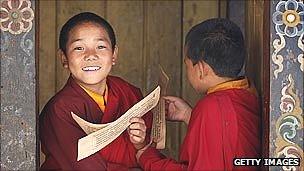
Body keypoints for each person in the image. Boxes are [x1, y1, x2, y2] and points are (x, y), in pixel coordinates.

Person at [132, 18, 261, 170]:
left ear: (201, 69)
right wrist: (189, 115)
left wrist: (148, 158)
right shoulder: (247, 91)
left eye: (187, 64)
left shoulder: (211, 106)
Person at [39, 12, 151, 170]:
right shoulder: (60, 110)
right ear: (64, 58)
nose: (91, 55)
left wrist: (141, 144)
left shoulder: (127, 91)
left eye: (100, 47)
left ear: (114, 54)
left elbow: (152, 146)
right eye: (79, 48)